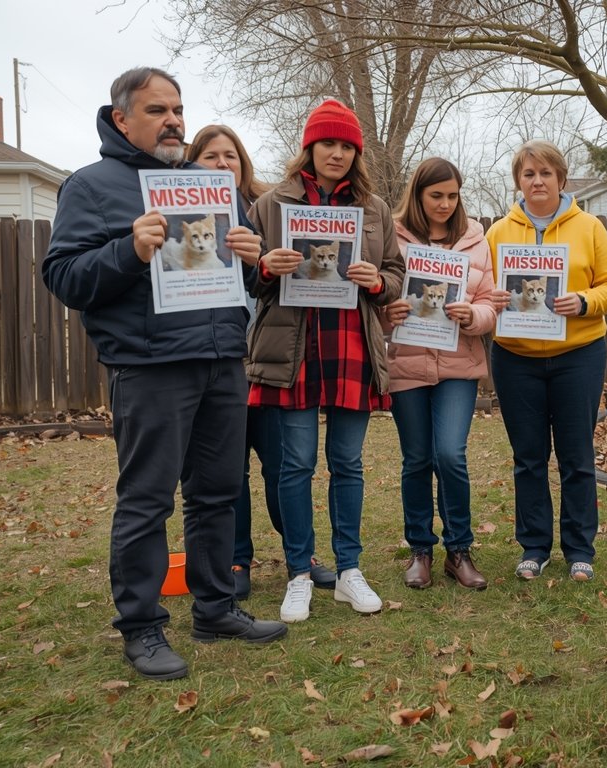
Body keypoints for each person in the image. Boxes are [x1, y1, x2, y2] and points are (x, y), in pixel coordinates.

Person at [41, 68, 288, 682]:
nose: (174, 120)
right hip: (149, 367)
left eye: (178, 109)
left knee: (217, 494)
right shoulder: (90, 187)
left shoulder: (212, 187)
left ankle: (215, 608)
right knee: (148, 501)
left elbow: (247, 280)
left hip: (222, 359)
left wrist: (258, 263)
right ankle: (143, 628)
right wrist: (130, 249)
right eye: (158, 110)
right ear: (122, 119)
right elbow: (64, 278)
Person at [246, 99, 405, 621]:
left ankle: (350, 571)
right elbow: (246, 282)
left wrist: (379, 283)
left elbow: (396, 276)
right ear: (309, 148)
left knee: (348, 464)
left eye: (346, 146)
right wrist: (267, 268)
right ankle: (298, 573)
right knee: (295, 465)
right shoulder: (271, 204)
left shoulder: (375, 208)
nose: (336, 153)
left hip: (351, 347)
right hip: (294, 351)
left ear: (355, 153)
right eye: (327, 143)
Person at [186, 125, 336, 599]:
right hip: (217, 363)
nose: (222, 164)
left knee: (284, 465)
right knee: (230, 471)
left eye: (230, 155)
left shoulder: (268, 213)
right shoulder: (180, 219)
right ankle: (236, 558)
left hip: (269, 362)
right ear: (192, 164)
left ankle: (302, 553)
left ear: (243, 164)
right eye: (210, 156)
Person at [486, 139, 607, 582]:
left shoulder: (589, 227)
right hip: (515, 358)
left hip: (578, 355)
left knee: (576, 456)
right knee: (527, 457)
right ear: (518, 182)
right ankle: (533, 546)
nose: (538, 181)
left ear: (562, 179)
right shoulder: (498, 233)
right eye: (529, 174)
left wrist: (583, 301)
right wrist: (490, 297)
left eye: (546, 173)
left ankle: (580, 548)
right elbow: (481, 290)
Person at [382, 158, 497, 590]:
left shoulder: (475, 241)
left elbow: (489, 303)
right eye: (436, 196)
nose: (445, 204)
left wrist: (474, 315)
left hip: (458, 366)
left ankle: (459, 550)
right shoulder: (392, 236)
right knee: (416, 459)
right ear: (418, 194)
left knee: (450, 454)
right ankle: (420, 550)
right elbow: (377, 296)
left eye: (452, 195)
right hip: (406, 364)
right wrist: (386, 313)